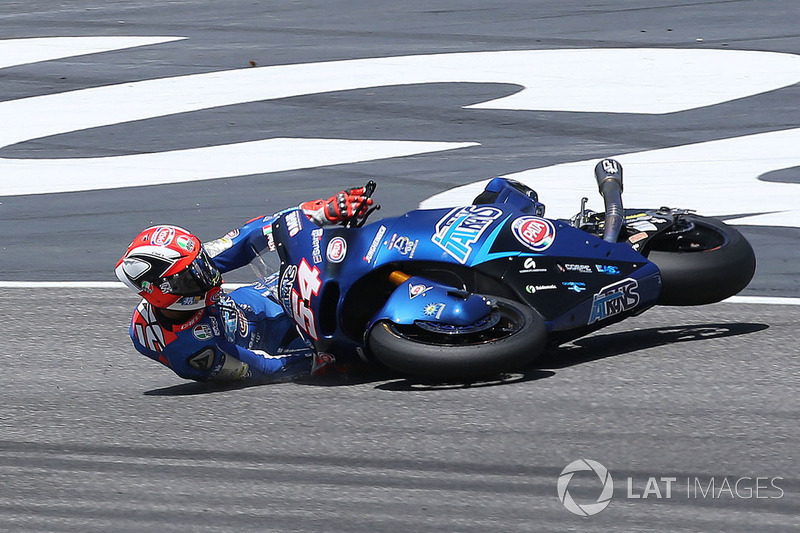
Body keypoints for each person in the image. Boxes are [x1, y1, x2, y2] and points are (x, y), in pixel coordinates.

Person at [115, 187, 373, 383]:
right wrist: (315, 360)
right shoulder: (190, 351)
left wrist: (320, 212)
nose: (204, 273)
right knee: (359, 353)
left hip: (274, 291)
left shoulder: (187, 268)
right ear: (164, 293)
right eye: (191, 276)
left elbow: (244, 239)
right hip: (292, 340)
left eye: (200, 263)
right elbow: (262, 368)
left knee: (345, 258)